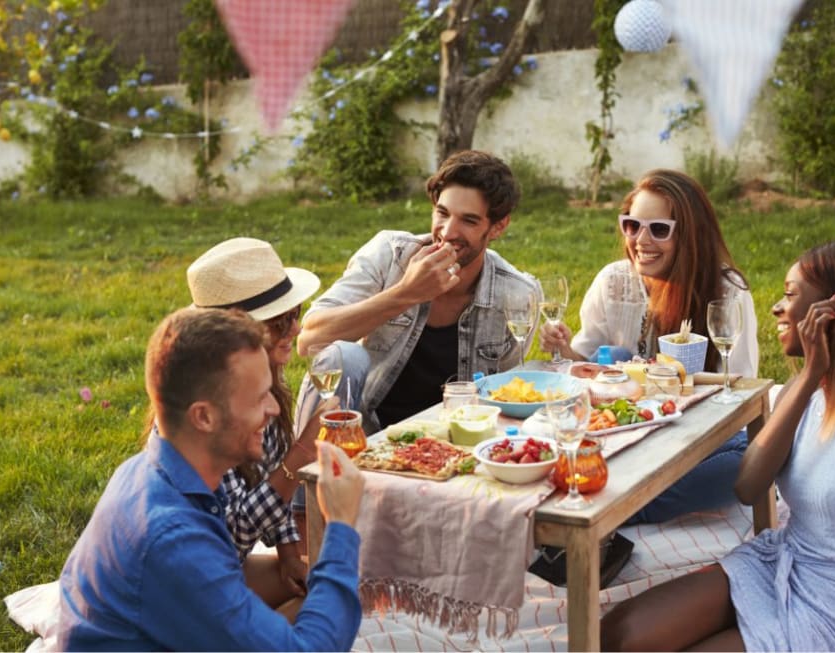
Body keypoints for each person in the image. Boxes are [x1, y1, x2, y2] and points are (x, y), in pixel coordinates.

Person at [600, 240, 835, 651]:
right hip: (776, 564)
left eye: (790, 295)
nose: (776, 307)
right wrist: (809, 375)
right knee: (618, 635)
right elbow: (749, 486)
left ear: (833, 308)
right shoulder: (806, 388)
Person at [58, 308, 365, 651]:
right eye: (259, 398)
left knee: (324, 600)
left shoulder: (155, 471)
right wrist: (340, 526)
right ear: (204, 416)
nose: (274, 410)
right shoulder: (175, 542)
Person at [540, 169, 758, 523]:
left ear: (690, 236)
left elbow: (741, 392)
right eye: (632, 225)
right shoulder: (613, 281)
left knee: (745, 460)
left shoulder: (726, 291)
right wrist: (564, 349)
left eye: (659, 229)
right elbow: (584, 364)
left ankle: (622, 507)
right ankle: (628, 500)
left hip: (691, 438)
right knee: (607, 369)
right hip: (620, 431)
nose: (640, 240)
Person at [296, 149, 540, 434]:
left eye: (469, 221)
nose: (448, 232)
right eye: (442, 213)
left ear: (498, 226)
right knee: (344, 356)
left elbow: (505, 397)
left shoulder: (517, 295)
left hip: (454, 438)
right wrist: (406, 293)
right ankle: (308, 474)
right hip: (364, 432)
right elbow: (309, 340)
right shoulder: (388, 256)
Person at [181, 236, 336, 603]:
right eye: (283, 321)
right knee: (319, 610)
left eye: (296, 314)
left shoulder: (259, 374)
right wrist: (303, 451)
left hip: (223, 567)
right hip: (188, 586)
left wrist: (287, 557)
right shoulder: (207, 411)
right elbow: (234, 530)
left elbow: (267, 473)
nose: (296, 330)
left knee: (327, 588)